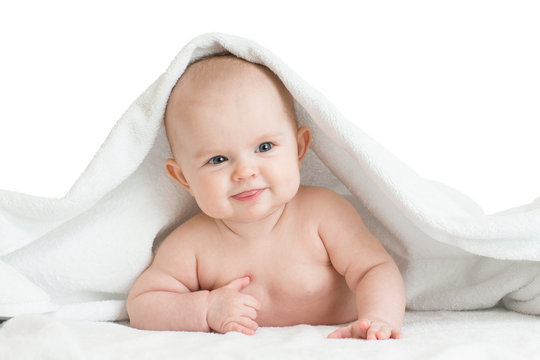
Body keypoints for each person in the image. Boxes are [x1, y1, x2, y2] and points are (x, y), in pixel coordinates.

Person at [126, 54, 406, 340]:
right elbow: (142, 304)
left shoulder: (323, 214)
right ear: (184, 177)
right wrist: (205, 308)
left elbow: (374, 268)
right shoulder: (193, 245)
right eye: (218, 159)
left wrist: (378, 318)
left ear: (298, 149)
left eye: (264, 147)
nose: (246, 172)